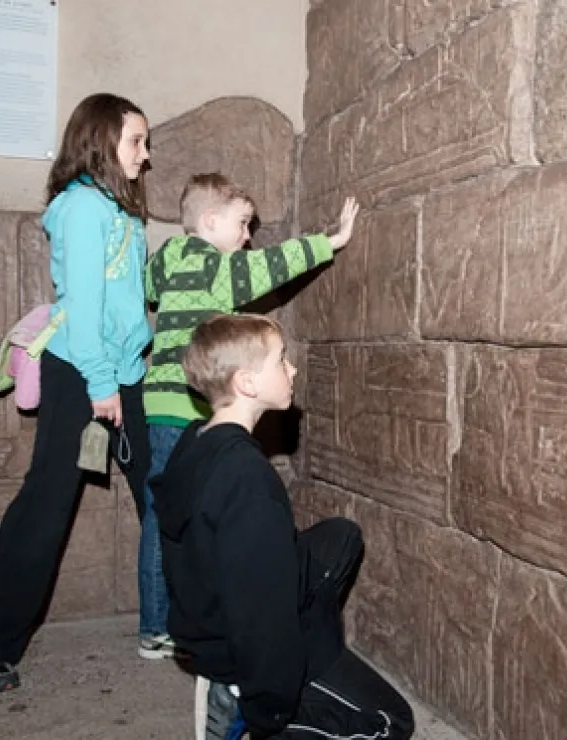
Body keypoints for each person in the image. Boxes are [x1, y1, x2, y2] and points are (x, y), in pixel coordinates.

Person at [0, 92, 154, 694]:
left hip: (126, 371)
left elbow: (126, 305)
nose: (146, 155)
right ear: (101, 142)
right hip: (83, 374)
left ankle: (204, 627)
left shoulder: (123, 214)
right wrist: (100, 385)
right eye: (136, 141)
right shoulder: (80, 209)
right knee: (45, 508)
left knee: (165, 496)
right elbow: (84, 308)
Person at [154, 313, 415, 739]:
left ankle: (310, 659)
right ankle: (249, 704)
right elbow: (258, 610)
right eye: (281, 360)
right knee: (390, 722)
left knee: (341, 537)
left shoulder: (197, 437)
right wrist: (268, 705)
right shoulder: (247, 478)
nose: (292, 369)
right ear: (247, 383)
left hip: (203, 615)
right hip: (235, 646)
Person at [134, 172, 358, 659]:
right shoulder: (218, 267)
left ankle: (156, 620)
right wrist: (331, 241)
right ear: (211, 222)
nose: (247, 237)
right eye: (241, 224)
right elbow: (272, 266)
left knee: (161, 510)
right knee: (187, 514)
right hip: (190, 402)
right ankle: (160, 626)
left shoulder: (171, 256)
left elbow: (149, 286)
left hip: (156, 401)